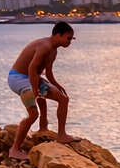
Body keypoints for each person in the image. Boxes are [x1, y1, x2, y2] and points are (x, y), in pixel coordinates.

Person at [8, 22, 75, 159]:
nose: (70, 42)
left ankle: (58, 134)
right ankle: (14, 149)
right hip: (18, 79)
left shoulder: (53, 50)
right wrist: (35, 88)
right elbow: (32, 68)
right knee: (33, 113)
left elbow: (48, 73)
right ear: (58, 35)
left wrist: (57, 85)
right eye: (68, 38)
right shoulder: (45, 46)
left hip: (32, 77)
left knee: (63, 99)